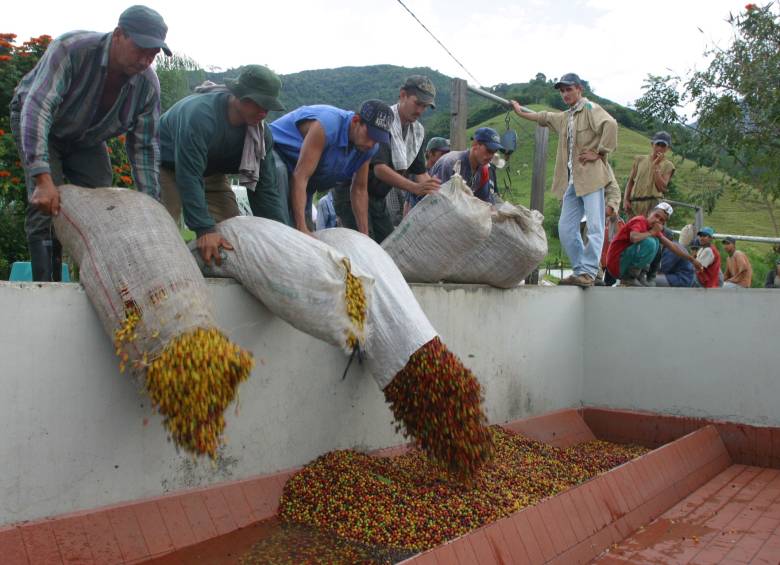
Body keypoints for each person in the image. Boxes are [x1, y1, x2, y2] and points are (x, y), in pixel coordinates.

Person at [10, 5, 170, 281]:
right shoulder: (71, 49)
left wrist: (151, 206)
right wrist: (42, 178)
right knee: (47, 206)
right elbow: (38, 109)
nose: (146, 60)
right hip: (41, 124)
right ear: (118, 34)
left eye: (153, 54)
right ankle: (47, 287)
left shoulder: (147, 86)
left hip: (87, 137)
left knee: (102, 205)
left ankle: (95, 281)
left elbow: (144, 148)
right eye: (140, 49)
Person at [159, 65, 287, 265]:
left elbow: (265, 189)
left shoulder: (261, 136)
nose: (263, 112)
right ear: (238, 95)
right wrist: (204, 229)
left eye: (268, 107)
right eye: (259, 104)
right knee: (163, 228)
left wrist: (279, 234)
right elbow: (188, 175)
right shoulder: (201, 115)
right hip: (169, 165)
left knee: (230, 233)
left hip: (211, 171)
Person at [511, 73, 618, 287]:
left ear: (579, 89)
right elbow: (543, 117)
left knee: (595, 226)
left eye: (569, 89)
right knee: (566, 228)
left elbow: (611, 124)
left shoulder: (589, 108)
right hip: (572, 181)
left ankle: (589, 271)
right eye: (562, 91)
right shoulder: (566, 117)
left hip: (590, 177)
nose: (565, 94)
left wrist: (599, 152)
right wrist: (519, 111)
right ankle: (580, 270)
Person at [333, 76, 440, 243]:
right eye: (417, 103)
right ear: (403, 95)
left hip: (378, 198)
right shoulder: (382, 121)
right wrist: (415, 187)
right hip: (351, 193)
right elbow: (379, 169)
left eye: (425, 106)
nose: (420, 110)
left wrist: (439, 194)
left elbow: (420, 173)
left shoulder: (417, 132)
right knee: (364, 244)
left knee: (388, 244)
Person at [269, 100, 393, 236]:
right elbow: (301, 176)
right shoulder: (327, 127)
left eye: (377, 139)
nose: (371, 143)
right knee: (287, 227)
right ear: (356, 121)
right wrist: (301, 228)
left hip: (305, 178)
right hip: (274, 153)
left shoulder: (368, 149)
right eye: (369, 135)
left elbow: (359, 189)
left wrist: (365, 235)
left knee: (307, 237)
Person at [605, 203, 702, 286]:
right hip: (616, 264)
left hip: (623, 263)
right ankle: (629, 278)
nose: (657, 220)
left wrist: (692, 260)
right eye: (656, 216)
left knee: (656, 242)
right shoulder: (640, 220)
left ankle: (642, 275)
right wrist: (651, 232)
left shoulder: (653, 230)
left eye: (662, 220)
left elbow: (672, 246)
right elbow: (634, 237)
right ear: (649, 213)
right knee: (651, 242)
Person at [412, 127, 503, 208]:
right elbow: (440, 201)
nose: (491, 156)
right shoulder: (452, 164)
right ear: (475, 144)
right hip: (426, 211)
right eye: (488, 150)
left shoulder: (483, 170)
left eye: (494, 152)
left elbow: (485, 201)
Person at [623, 132, 676, 217]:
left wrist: (656, 167)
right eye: (657, 144)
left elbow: (661, 188)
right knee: (633, 225)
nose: (659, 148)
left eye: (663, 146)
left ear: (668, 148)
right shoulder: (639, 160)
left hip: (653, 204)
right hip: (635, 203)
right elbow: (631, 182)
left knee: (649, 225)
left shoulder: (668, 165)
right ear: (652, 144)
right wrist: (626, 200)